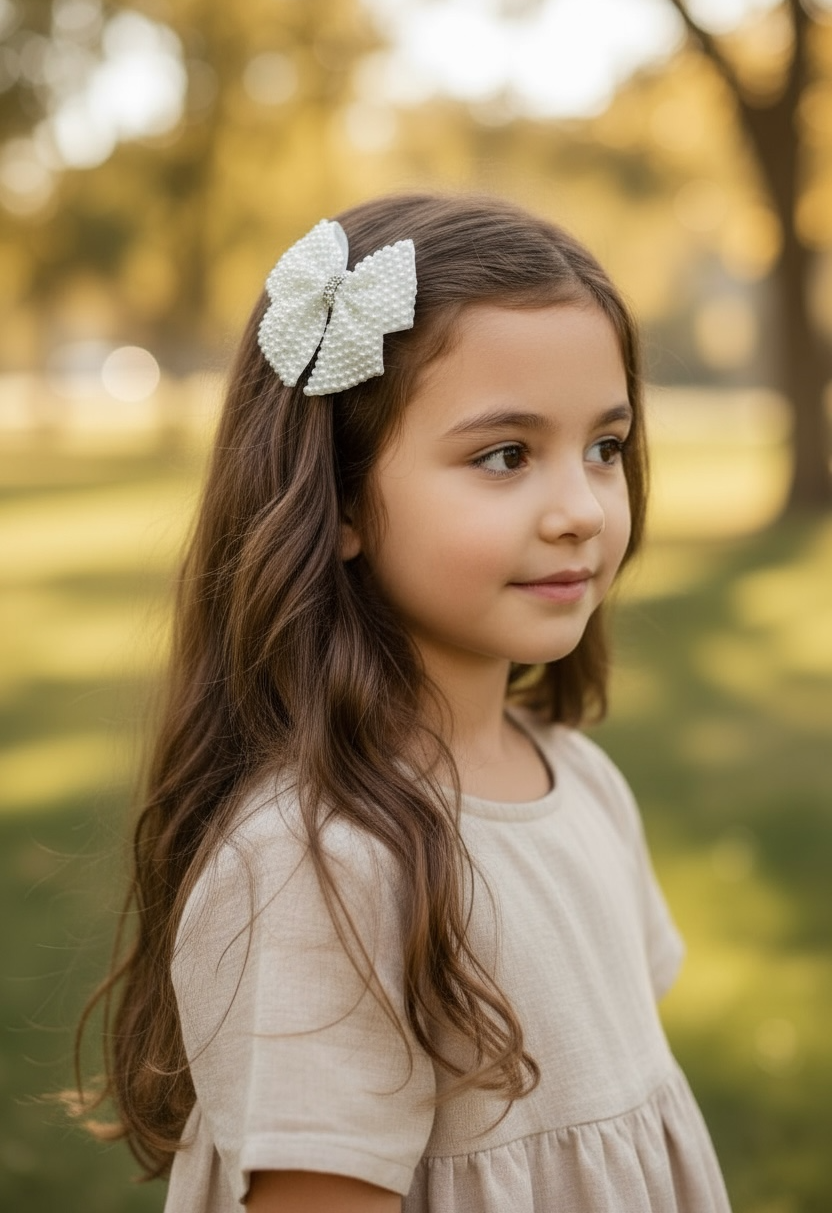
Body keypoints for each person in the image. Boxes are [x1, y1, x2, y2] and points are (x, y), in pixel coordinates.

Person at [79, 193, 732, 1212]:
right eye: (505, 455)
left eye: (604, 447)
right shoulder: (322, 865)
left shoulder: (583, 782)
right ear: (338, 499)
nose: (579, 510)